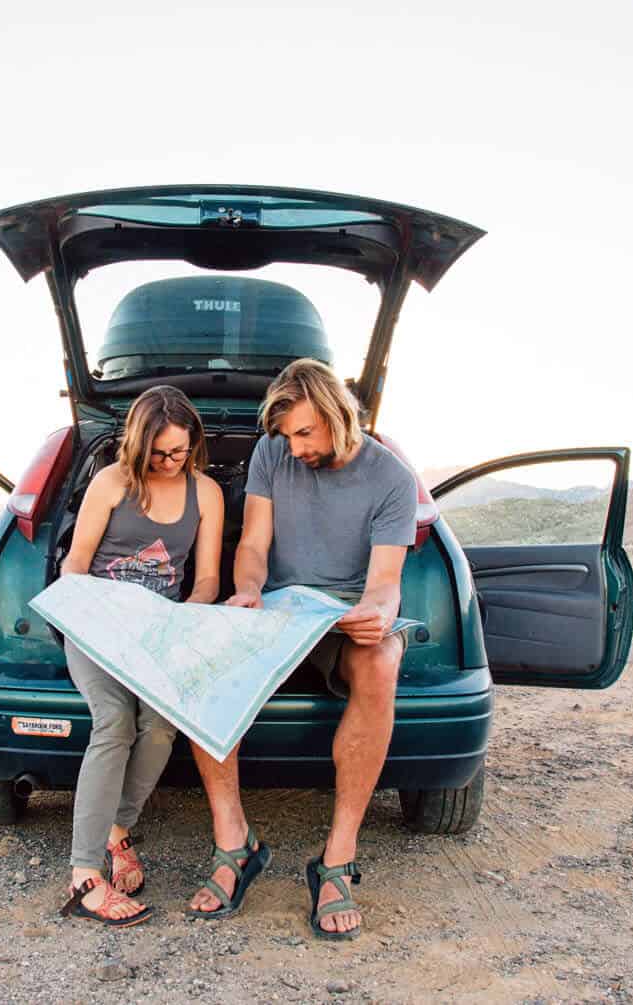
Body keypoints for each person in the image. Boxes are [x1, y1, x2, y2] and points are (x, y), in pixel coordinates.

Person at [184, 358, 417, 940]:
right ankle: (235, 845)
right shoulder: (271, 453)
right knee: (207, 654)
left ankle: (336, 859)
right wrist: (246, 593)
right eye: (287, 435)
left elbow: (386, 581)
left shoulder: (390, 477)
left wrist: (377, 615)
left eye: (305, 433)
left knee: (382, 659)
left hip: (343, 614)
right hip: (279, 609)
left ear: (339, 415)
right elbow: (255, 542)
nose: (294, 448)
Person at [57, 385, 225, 927]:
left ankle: (117, 830)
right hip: (96, 623)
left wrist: (178, 621)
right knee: (114, 723)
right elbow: (75, 567)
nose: (171, 462)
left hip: (160, 631)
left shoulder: (207, 493)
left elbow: (205, 581)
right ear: (137, 444)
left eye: (180, 451)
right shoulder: (111, 483)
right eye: (159, 453)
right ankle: (85, 874)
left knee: (160, 725)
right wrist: (100, 620)